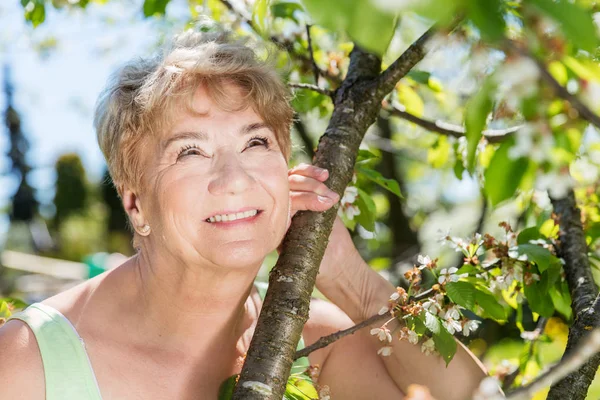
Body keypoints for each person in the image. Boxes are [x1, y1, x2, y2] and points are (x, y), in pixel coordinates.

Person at [0, 31, 487, 399]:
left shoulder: (317, 342)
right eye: (190, 152)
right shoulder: (25, 364)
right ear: (135, 204)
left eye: (256, 142)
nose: (234, 179)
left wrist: (352, 281)